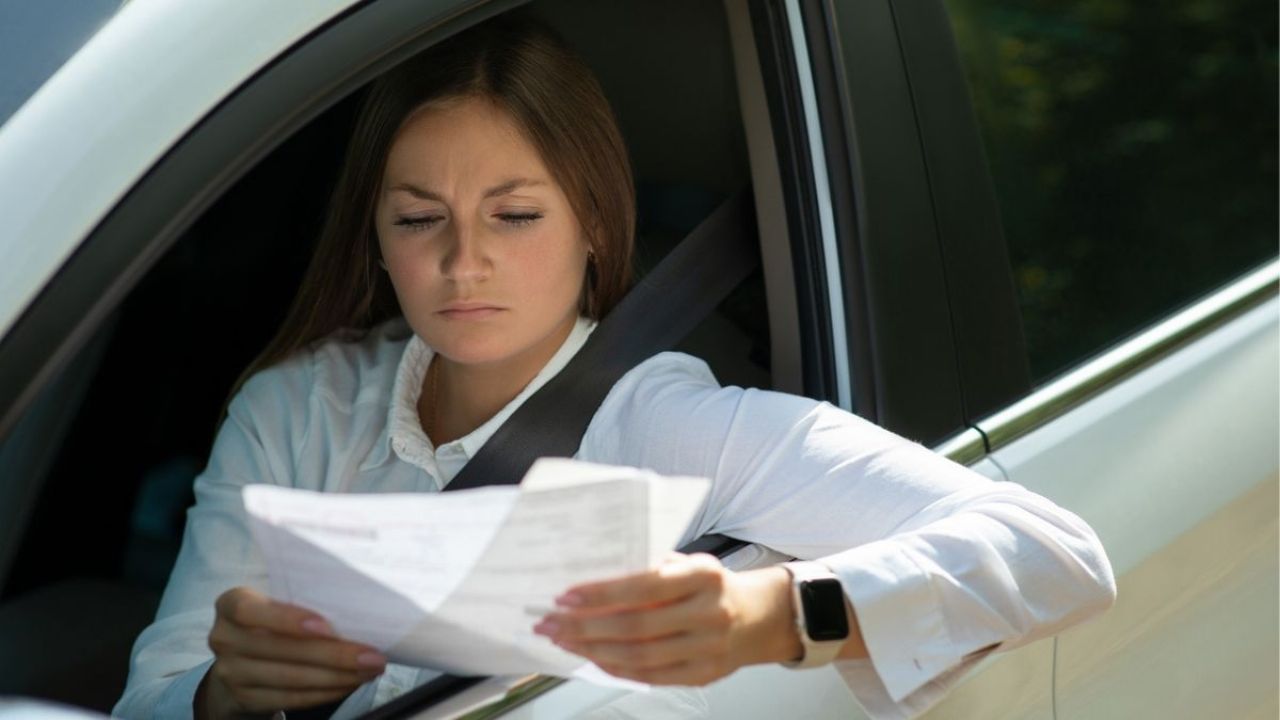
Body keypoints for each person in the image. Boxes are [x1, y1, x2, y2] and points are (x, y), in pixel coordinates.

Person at [114, 15, 1115, 720]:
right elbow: (153, 696)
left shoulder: (667, 426)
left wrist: (765, 615)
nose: (463, 262)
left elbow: (1051, 552)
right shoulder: (298, 408)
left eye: (514, 216)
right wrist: (225, 694)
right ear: (374, 236)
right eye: (420, 219)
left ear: (593, 223)